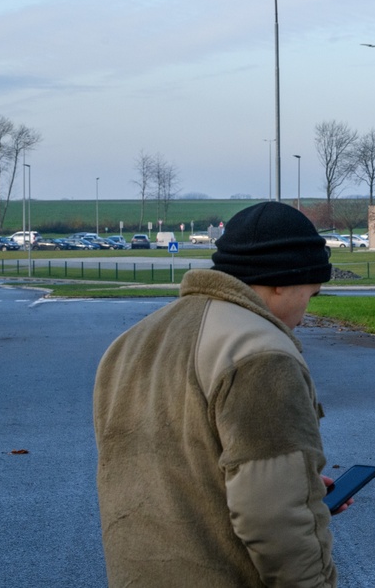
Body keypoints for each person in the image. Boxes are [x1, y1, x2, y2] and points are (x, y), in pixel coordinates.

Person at [93, 202, 342, 587]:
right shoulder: (263, 354)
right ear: (283, 279)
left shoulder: (129, 344)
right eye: (312, 294)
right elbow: (273, 516)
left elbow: (169, 470)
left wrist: (300, 486)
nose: (305, 315)